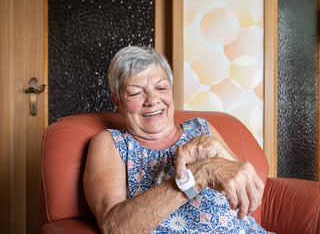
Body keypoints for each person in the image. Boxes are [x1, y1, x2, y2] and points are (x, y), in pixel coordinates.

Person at [83, 46, 272, 233]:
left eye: (161, 87)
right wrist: (196, 176)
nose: (152, 99)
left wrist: (219, 151)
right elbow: (113, 228)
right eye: (136, 93)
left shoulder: (201, 128)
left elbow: (249, 196)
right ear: (118, 102)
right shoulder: (111, 143)